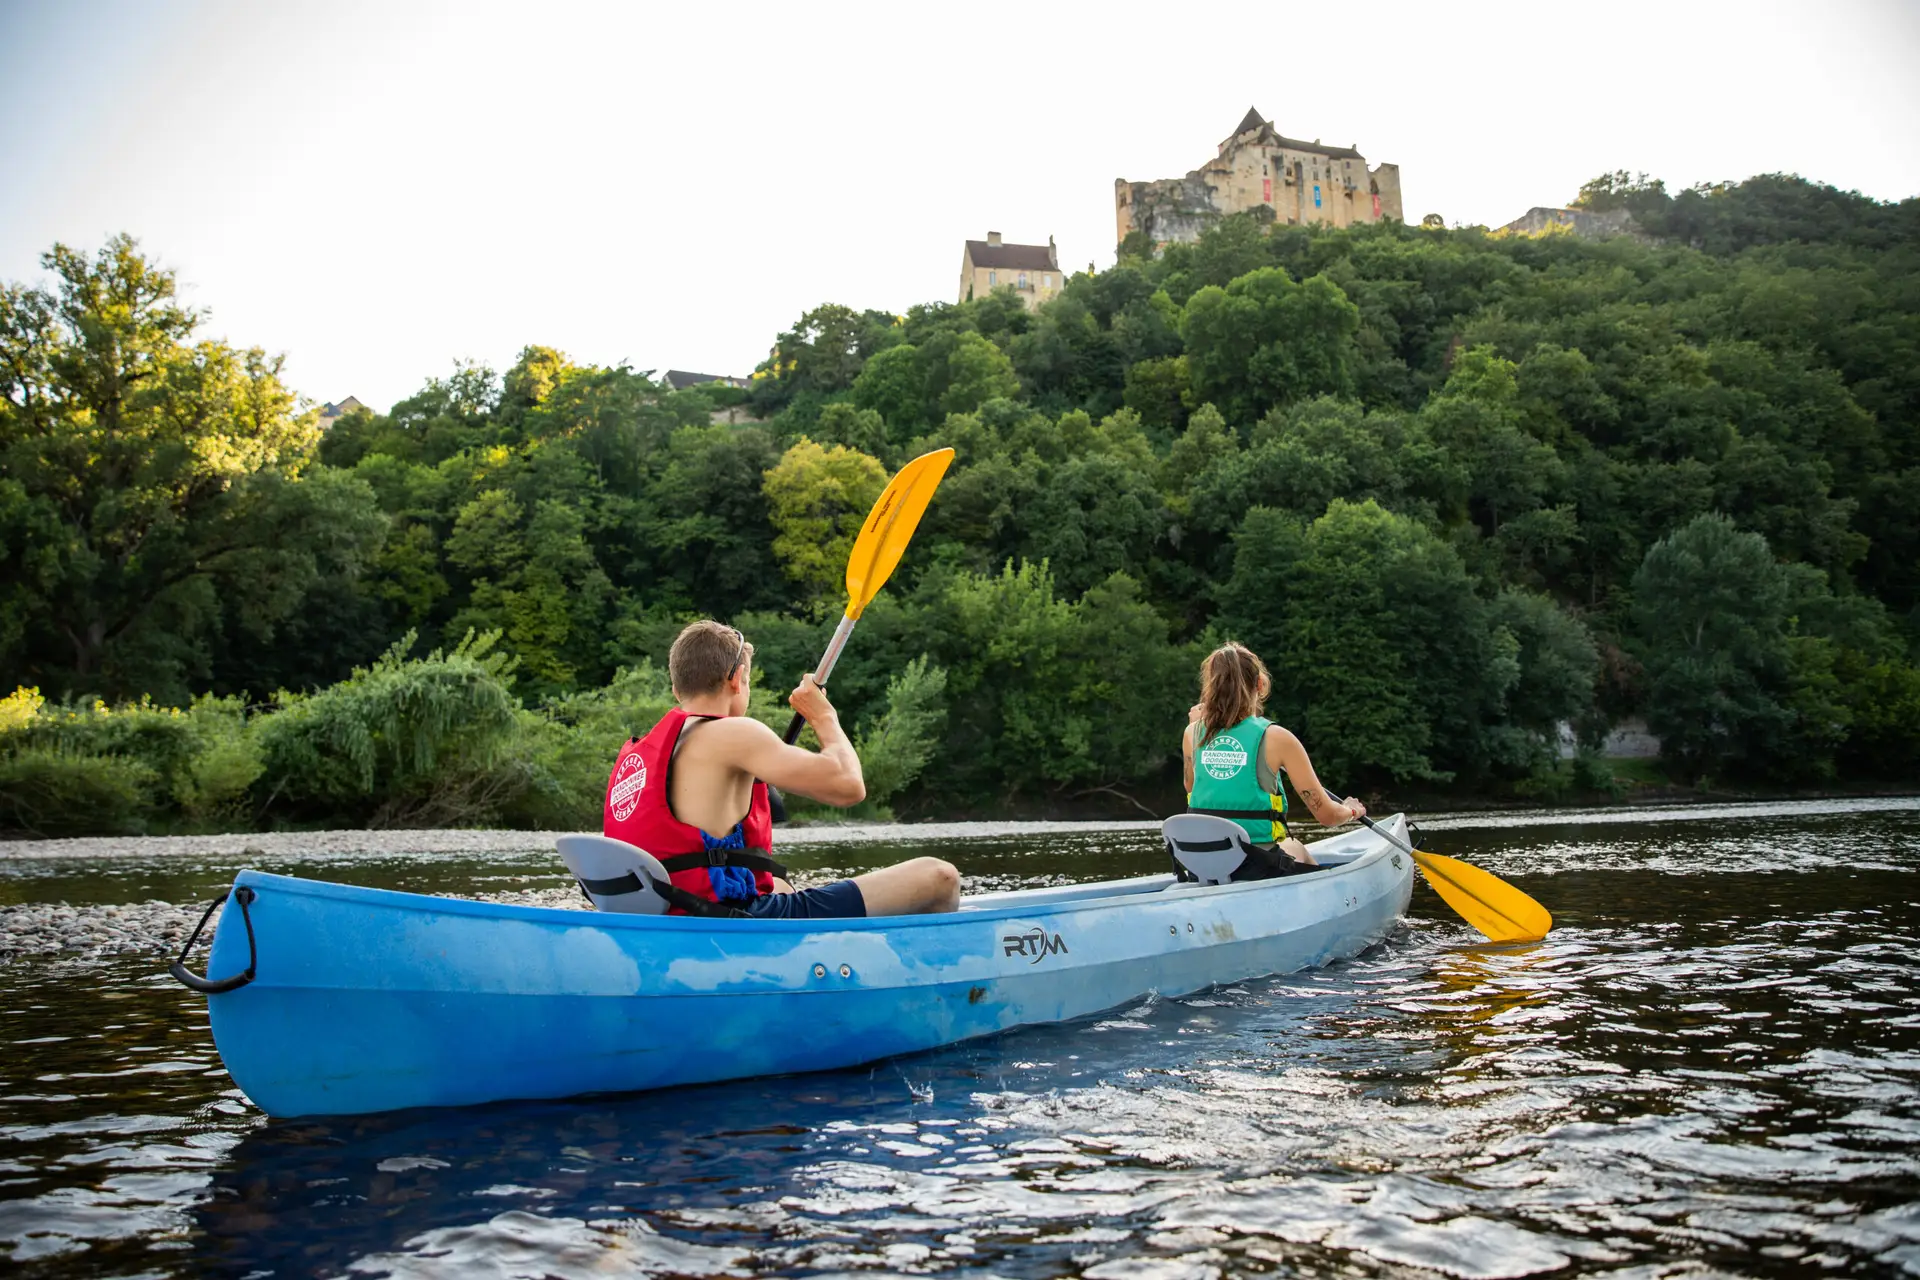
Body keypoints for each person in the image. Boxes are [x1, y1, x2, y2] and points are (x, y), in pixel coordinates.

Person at [603, 619, 961, 919]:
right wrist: (824, 716)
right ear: (736, 679)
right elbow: (849, 786)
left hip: (672, 914)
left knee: (781, 884)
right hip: (729, 922)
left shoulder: (646, 749)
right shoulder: (734, 732)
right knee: (939, 876)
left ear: (675, 686)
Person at [1182, 642, 1367, 877]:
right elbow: (1328, 816)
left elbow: (1191, 786)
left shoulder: (1192, 732)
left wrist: (1194, 727)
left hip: (1200, 864)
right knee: (1295, 847)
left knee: (1291, 848)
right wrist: (1350, 811)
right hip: (1252, 865)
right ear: (1259, 684)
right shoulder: (1277, 738)